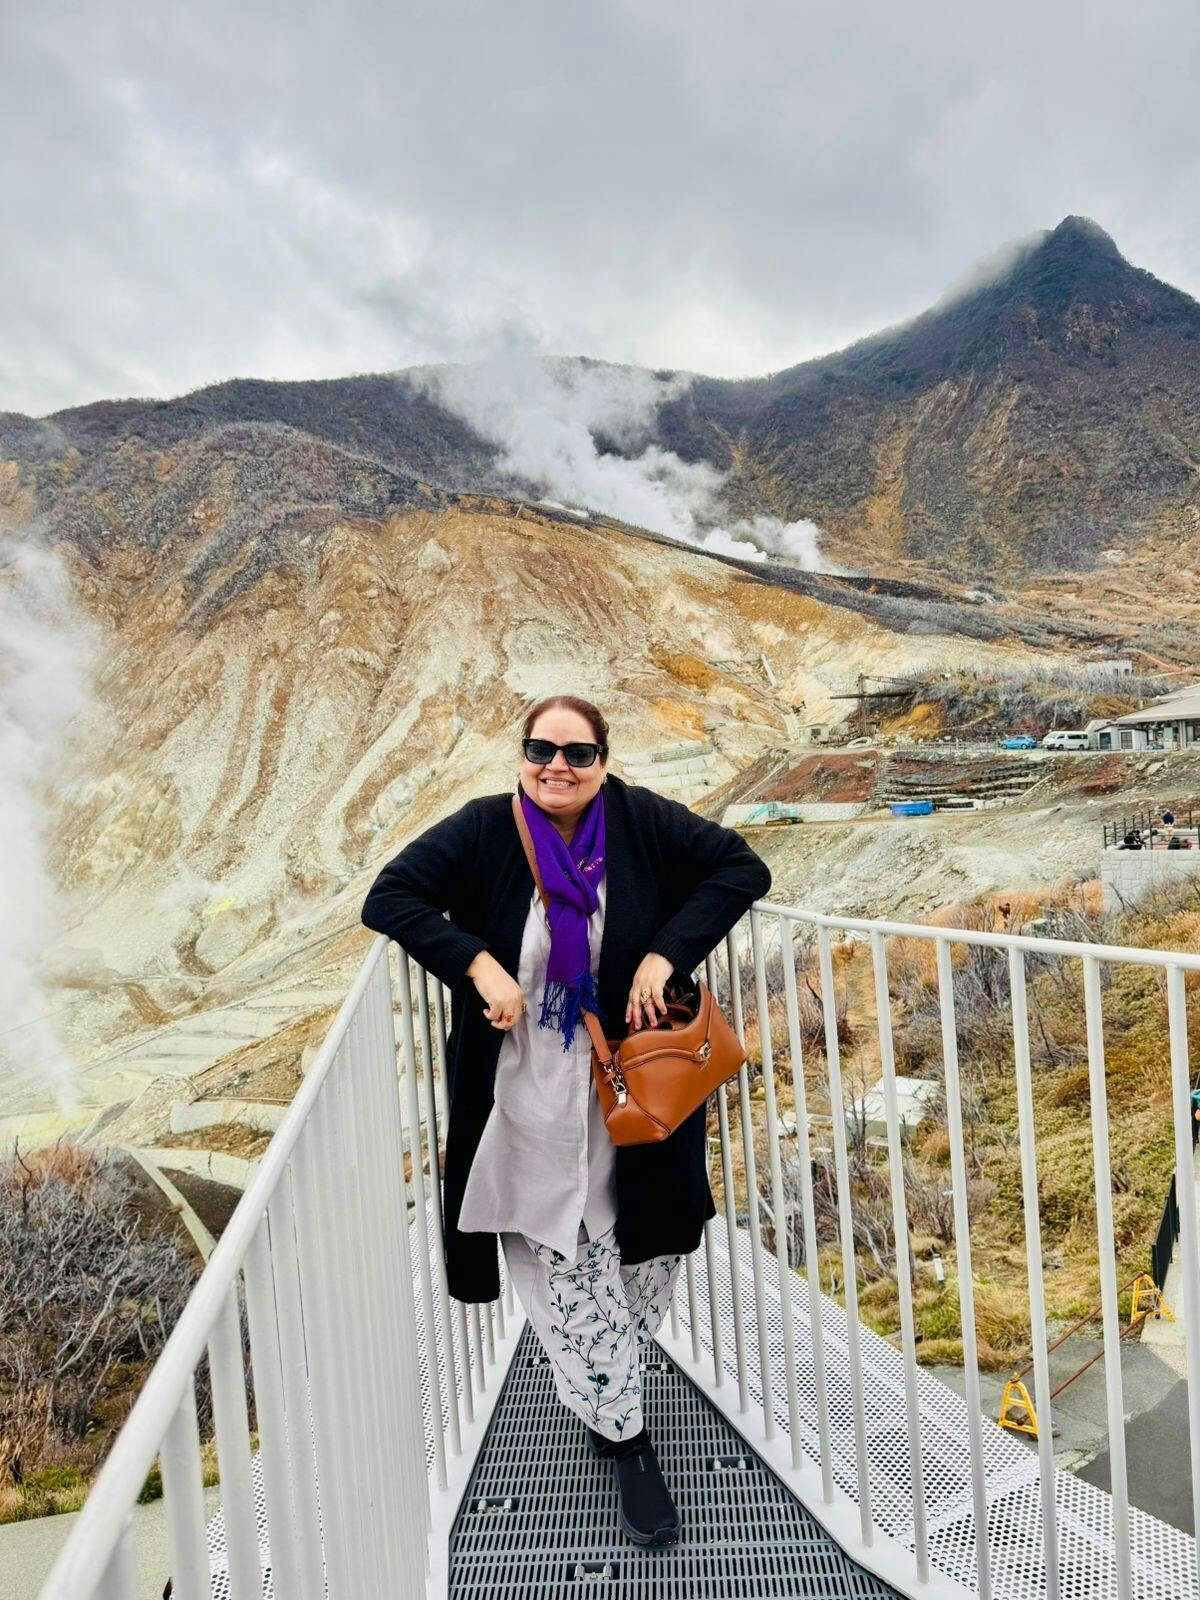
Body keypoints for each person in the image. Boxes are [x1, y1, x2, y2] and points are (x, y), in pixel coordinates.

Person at [361, 694, 771, 1547]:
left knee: (648, 1258)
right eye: (541, 749)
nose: (557, 766)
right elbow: (390, 896)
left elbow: (740, 869)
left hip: (631, 1095)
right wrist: (477, 964)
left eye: (578, 753)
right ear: (521, 755)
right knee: (569, 1266)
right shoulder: (485, 829)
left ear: (603, 762)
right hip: (530, 1096)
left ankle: (600, 1384)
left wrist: (665, 952)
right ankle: (627, 1441)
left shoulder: (639, 821)